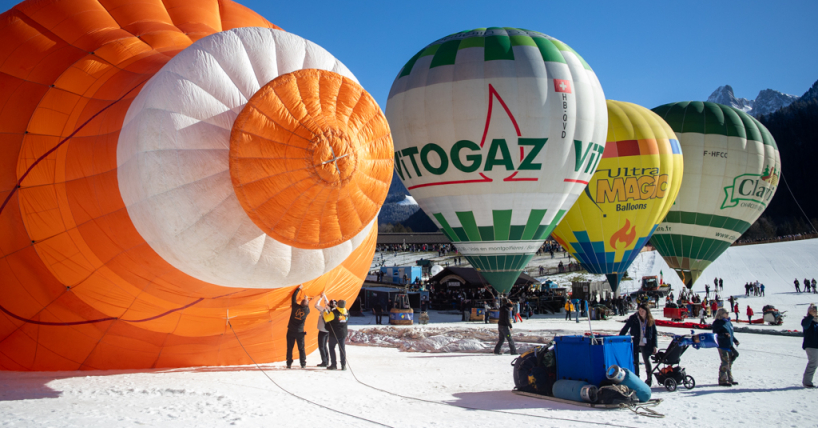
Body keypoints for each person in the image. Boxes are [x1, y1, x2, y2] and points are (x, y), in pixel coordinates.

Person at [619, 304, 657, 386]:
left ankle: (649, 379)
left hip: (647, 343)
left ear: (646, 312)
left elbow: (654, 333)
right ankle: (637, 380)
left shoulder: (650, 320)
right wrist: (620, 338)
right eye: (639, 311)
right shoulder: (633, 318)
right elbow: (625, 328)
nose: (641, 313)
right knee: (635, 361)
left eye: (642, 311)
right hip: (636, 341)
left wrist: (655, 345)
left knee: (647, 361)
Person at [712, 308, 740, 386]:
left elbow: (731, 334)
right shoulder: (717, 323)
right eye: (726, 313)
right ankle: (722, 380)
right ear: (721, 314)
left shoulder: (728, 322)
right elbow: (715, 335)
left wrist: (735, 340)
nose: (727, 314)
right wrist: (723, 335)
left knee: (731, 360)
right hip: (722, 345)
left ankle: (729, 379)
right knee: (725, 362)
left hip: (729, 345)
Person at [286, 285, 311, 369]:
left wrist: (298, 289)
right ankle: (303, 363)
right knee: (301, 348)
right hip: (300, 332)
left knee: (290, 348)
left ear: (300, 303)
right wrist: (306, 299)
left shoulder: (295, 307)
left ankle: (289, 363)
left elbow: (293, 297)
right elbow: (306, 305)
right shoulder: (307, 311)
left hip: (291, 331)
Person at [323, 299, 349, 370]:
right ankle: (343, 365)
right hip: (343, 334)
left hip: (334, 334)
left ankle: (334, 365)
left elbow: (326, 319)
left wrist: (325, 311)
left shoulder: (334, 313)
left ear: (338, 305)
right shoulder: (347, 312)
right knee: (342, 349)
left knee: (331, 348)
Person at [802, 304, 818, 388]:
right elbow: (805, 325)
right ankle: (807, 382)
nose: (815, 313)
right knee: (813, 362)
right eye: (813, 311)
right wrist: (810, 316)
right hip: (811, 345)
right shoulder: (807, 320)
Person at [314, 293, 330, 367]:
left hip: (322, 330)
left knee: (321, 346)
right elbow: (327, 303)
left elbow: (316, 305)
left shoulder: (323, 311)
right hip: (328, 331)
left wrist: (321, 298)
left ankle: (324, 361)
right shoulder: (331, 311)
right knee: (324, 346)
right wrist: (325, 296)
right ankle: (327, 361)